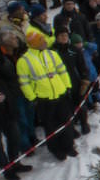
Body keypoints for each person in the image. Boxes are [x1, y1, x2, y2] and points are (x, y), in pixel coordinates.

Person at [16, 29, 77, 161]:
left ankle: (69, 146)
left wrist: (67, 86)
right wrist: (33, 98)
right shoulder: (24, 61)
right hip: (43, 100)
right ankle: (56, 149)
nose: (45, 42)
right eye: (41, 40)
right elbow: (24, 83)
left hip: (60, 95)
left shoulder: (52, 54)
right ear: (33, 44)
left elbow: (62, 71)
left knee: (67, 122)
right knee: (50, 126)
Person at [52, 29, 90, 136]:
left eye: (66, 35)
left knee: (81, 103)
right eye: (61, 35)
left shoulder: (74, 50)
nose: (64, 37)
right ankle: (71, 128)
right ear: (57, 37)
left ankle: (84, 123)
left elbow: (82, 66)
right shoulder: (52, 52)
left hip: (75, 81)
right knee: (66, 108)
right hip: (61, 84)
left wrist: (85, 80)